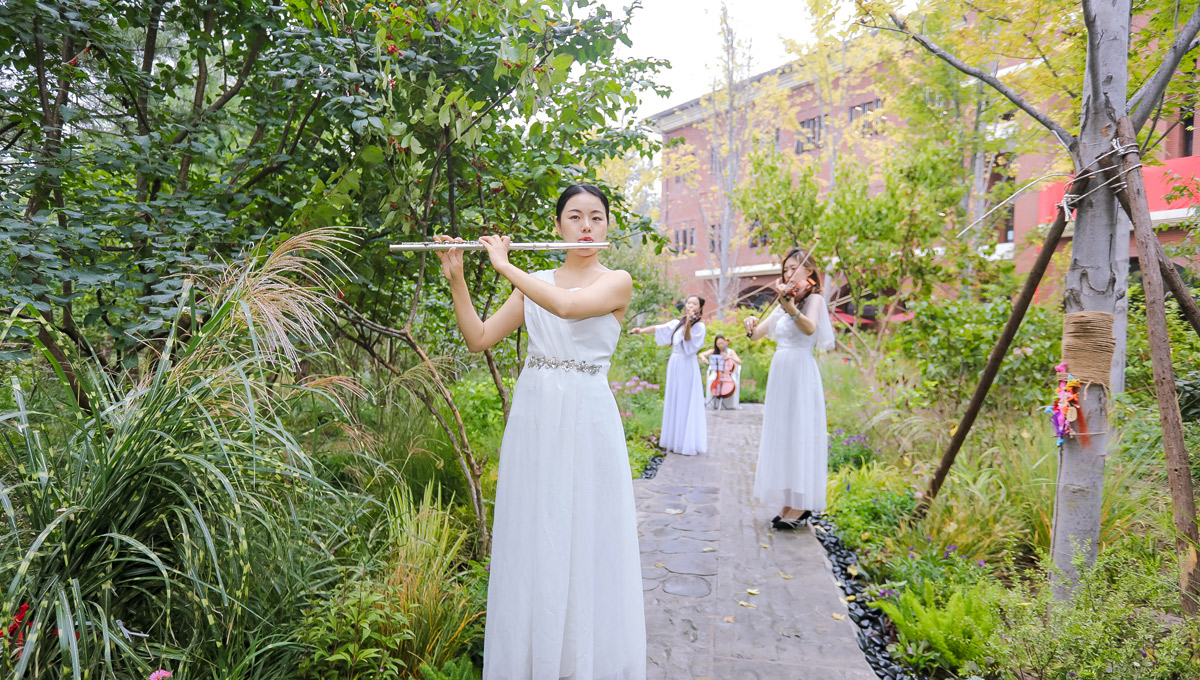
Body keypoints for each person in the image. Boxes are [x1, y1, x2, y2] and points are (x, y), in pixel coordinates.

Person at [434, 184, 646, 680]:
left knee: (586, 533)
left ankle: (583, 664)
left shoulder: (617, 280)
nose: (587, 226)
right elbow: (478, 338)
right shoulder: (537, 281)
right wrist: (458, 278)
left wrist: (506, 266)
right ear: (558, 226)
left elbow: (569, 309)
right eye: (574, 216)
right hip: (536, 420)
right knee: (539, 530)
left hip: (588, 419)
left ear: (608, 225)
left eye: (596, 216)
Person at [743, 248, 835, 530]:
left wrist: (791, 308)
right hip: (781, 375)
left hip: (801, 374)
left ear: (809, 272)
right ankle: (789, 500)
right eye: (785, 269)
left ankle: (801, 503)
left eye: (794, 268)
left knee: (800, 432)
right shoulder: (785, 302)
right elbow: (758, 335)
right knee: (784, 433)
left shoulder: (813, 299)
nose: (788, 274)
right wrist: (750, 325)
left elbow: (810, 329)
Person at [628, 295, 707, 456]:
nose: (690, 305)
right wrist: (641, 331)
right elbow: (660, 328)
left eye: (694, 303)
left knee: (685, 399)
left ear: (699, 308)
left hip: (687, 364)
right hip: (675, 363)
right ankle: (674, 440)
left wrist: (689, 324)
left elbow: (689, 345)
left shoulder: (699, 326)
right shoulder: (678, 323)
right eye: (688, 302)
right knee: (675, 398)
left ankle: (686, 442)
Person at [698, 334, 742, 409]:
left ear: (725, 342)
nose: (721, 345)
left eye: (722, 343)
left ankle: (728, 404)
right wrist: (703, 359)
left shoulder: (730, 352)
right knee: (711, 379)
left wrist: (730, 357)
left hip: (728, 374)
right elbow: (701, 354)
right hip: (717, 374)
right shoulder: (714, 351)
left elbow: (739, 362)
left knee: (731, 382)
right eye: (719, 344)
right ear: (716, 344)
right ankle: (713, 403)